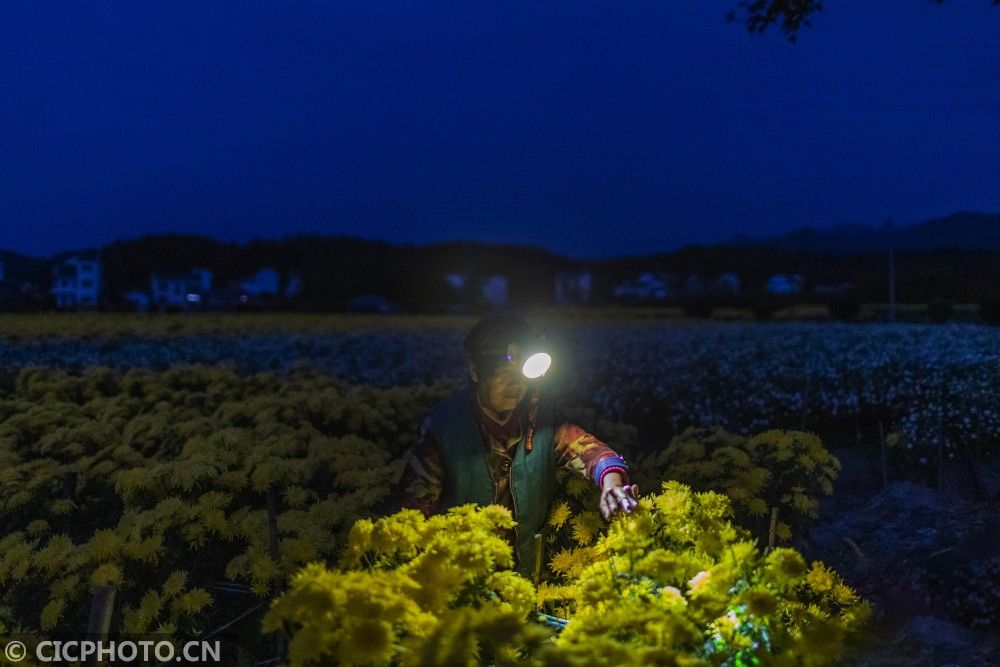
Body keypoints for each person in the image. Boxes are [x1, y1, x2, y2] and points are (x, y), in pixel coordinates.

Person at [396, 313, 639, 578]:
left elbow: (588, 449)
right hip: (462, 578)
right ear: (475, 371)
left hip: (524, 576)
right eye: (503, 374)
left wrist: (612, 484)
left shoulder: (540, 418)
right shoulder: (445, 427)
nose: (517, 385)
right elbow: (414, 511)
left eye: (523, 374)